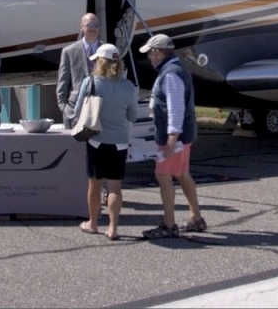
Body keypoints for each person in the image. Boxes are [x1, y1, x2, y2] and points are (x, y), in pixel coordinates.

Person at [139, 34, 206, 239]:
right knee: (182, 173)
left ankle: (169, 224)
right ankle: (196, 218)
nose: (149, 57)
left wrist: (171, 139)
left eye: (151, 53)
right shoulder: (177, 67)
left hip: (174, 137)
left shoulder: (170, 74)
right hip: (182, 135)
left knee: (163, 175)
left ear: (158, 52)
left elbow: (175, 108)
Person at [71, 43, 138, 241]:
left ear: (100, 62)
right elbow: (133, 116)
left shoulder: (90, 82)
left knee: (94, 184)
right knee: (115, 187)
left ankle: (92, 223)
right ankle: (113, 227)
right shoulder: (128, 86)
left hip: (96, 140)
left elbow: (77, 113)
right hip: (120, 143)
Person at [57, 13, 102, 128]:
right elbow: (62, 86)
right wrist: (67, 111)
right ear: (81, 27)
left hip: (101, 113)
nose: (93, 29)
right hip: (75, 113)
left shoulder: (107, 50)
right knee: (74, 146)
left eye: (96, 25)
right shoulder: (69, 51)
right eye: (89, 25)